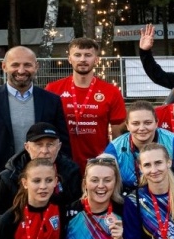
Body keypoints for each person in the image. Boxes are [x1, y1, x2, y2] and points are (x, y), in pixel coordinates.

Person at [0, 46, 72, 221]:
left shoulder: (51, 101)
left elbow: (63, 145)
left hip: (42, 184)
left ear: (36, 67)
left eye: (27, 65)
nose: (21, 70)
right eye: (15, 65)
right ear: (4, 66)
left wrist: (65, 179)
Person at [45, 37, 127, 167]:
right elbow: (46, 125)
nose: (82, 59)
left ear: (96, 59)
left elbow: (118, 134)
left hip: (98, 162)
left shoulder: (111, 91)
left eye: (88, 55)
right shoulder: (53, 89)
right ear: (69, 59)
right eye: (77, 55)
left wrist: (117, 161)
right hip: (61, 163)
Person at [0, 120, 81, 216]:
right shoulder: (9, 177)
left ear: (59, 147)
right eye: (39, 145)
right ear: (27, 147)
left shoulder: (71, 173)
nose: (45, 151)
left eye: (50, 144)